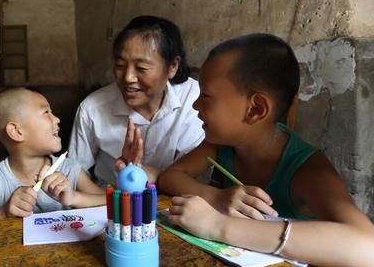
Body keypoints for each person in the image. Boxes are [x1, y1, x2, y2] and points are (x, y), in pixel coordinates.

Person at [158, 33, 374, 266]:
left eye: (206, 95)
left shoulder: (307, 170)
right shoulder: (222, 143)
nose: (195, 105)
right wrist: (217, 198)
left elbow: (366, 246)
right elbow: (171, 177)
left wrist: (220, 227)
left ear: (256, 109)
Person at [69, 16, 204, 187]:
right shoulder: (92, 108)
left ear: (172, 67)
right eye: (120, 65)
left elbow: (196, 174)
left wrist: (149, 175)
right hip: (111, 202)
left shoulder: (194, 99)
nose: (128, 78)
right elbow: (75, 171)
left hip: (176, 202)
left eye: (142, 68)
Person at [0, 88, 104, 222]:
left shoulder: (69, 169)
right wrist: (3, 213)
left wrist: (73, 198)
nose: (56, 119)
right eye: (46, 112)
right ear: (16, 131)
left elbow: (111, 203)